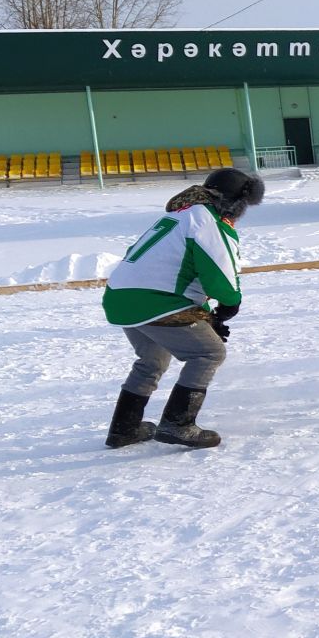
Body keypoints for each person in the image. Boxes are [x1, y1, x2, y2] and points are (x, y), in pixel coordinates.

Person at [102, 167, 264, 449]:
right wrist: (229, 305)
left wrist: (205, 316)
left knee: (152, 360)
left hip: (121, 296)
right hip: (157, 300)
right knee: (209, 352)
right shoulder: (208, 222)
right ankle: (178, 425)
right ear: (237, 203)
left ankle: (124, 429)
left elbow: (176, 271)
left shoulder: (179, 215)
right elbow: (219, 275)